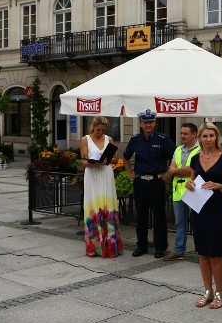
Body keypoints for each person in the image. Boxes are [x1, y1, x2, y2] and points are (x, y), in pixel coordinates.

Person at [186, 122, 222, 309]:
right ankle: (207, 291)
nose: (208, 139)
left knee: (215, 254)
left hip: (216, 210)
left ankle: (220, 293)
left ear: (216, 137)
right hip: (198, 209)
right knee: (202, 253)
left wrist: (219, 186)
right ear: (199, 138)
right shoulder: (195, 159)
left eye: (211, 136)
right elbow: (191, 181)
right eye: (204, 136)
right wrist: (188, 185)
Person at [123, 109, 175, 258]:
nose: (148, 125)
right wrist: (130, 174)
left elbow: (176, 155)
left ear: (155, 123)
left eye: (151, 122)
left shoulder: (162, 139)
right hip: (140, 182)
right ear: (140, 123)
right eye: (145, 122)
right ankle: (142, 246)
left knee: (159, 216)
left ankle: (160, 247)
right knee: (141, 216)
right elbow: (126, 157)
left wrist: (168, 173)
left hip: (157, 182)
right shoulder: (135, 139)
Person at [80, 116, 122, 257]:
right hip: (92, 175)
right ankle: (94, 246)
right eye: (98, 130)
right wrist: (94, 163)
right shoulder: (85, 139)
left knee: (108, 206)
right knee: (93, 206)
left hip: (105, 173)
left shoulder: (108, 139)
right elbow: (83, 161)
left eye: (103, 130)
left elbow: (116, 158)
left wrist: (107, 159)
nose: (100, 133)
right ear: (93, 127)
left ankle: (110, 245)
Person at [163, 123, 200, 261]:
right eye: (181, 133)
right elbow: (170, 170)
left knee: (197, 222)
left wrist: (177, 171)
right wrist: (181, 171)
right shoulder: (178, 149)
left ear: (194, 135)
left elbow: (192, 170)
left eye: (185, 133)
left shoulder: (200, 150)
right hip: (178, 192)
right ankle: (178, 250)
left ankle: (200, 249)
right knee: (180, 223)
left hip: (194, 190)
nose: (182, 136)